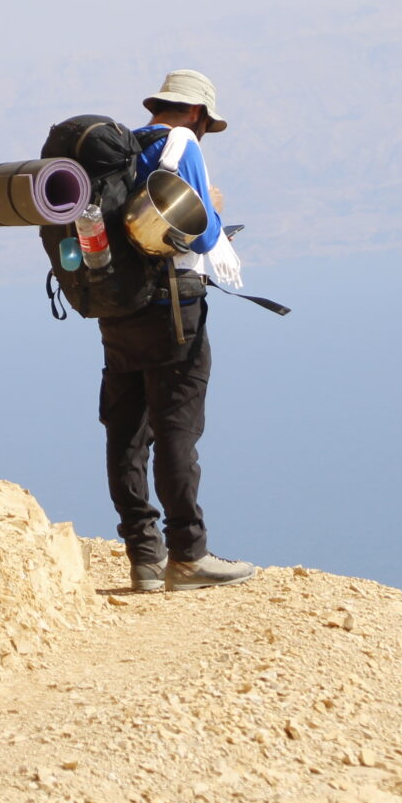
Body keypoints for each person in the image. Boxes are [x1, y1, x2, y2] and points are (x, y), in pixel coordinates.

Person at [99, 69, 256, 593]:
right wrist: (212, 204)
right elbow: (203, 234)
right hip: (173, 305)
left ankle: (143, 556)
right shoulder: (182, 141)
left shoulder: (125, 149)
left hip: (118, 305)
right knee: (176, 428)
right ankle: (188, 554)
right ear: (195, 113)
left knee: (126, 428)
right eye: (206, 120)